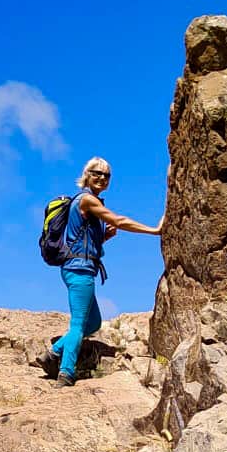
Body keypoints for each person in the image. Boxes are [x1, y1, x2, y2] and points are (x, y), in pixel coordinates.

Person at [48, 157, 161, 385]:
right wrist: (153, 230)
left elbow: (83, 241)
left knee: (94, 323)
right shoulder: (87, 200)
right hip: (79, 269)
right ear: (86, 175)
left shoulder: (89, 204)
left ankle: (51, 354)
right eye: (96, 173)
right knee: (79, 324)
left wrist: (104, 238)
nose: (101, 177)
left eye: (106, 175)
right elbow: (118, 220)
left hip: (81, 267)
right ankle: (66, 372)